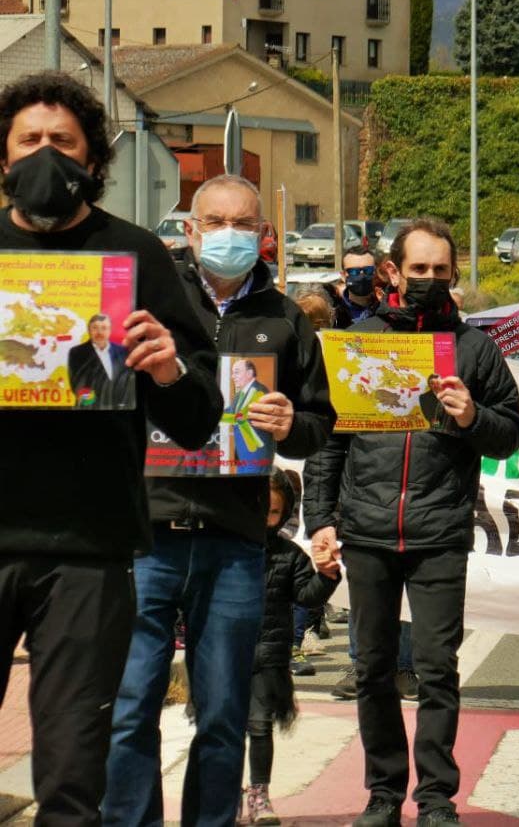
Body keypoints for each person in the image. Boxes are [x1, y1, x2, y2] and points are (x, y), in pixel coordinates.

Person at [0, 70, 222, 823]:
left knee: (70, 773)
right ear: (3, 157)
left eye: (63, 143)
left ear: (93, 161)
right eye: (29, 141)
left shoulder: (137, 257)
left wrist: (166, 367)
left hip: (87, 550)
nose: (45, 156)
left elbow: (199, 418)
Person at [104, 173, 336, 827]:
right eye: (216, 222)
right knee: (130, 708)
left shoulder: (286, 318)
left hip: (236, 540)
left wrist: (296, 422)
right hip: (147, 530)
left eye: (244, 224)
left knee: (224, 713)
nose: (230, 235)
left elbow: (323, 421)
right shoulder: (152, 300)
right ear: (189, 230)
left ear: (264, 235)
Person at [306, 217, 519, 826]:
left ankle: (435, 798)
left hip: (439, 534)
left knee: (436, 669)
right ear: (392, 272)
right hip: (368, 532)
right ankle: (382, 795)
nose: (429, 279)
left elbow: (510, 434)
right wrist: (320, 518)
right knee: (372, 668)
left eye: (440, 270)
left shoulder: (476, 348)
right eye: (418, 269)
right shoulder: (359, 341)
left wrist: (471, 415)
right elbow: (327, 443)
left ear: (453, 274)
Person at [243, 469, 341, 825]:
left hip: (267, 656)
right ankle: (222, 792)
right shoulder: (224, 548)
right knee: (220, 727)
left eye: (272, 512)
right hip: (221, 654)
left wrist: (327, 575)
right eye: (257, 507)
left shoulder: (289, 554)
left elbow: (305, 596)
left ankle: (258, 793)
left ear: (284, 514)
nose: (264, 518)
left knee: (259, 726)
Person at [68, 312, 133, 408]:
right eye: (95, 328)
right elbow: (78, 385)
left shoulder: (123, 352)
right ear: (89, 330)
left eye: (104, 328)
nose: (99, 332)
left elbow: (127, 382)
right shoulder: (77, 352)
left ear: (110, 330)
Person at [341, 245, 380, 325]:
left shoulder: (386, 307)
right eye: (354, 272)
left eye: (368, 270)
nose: (362, 276)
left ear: (375, 272)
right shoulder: (335, 311)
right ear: (343, 276)